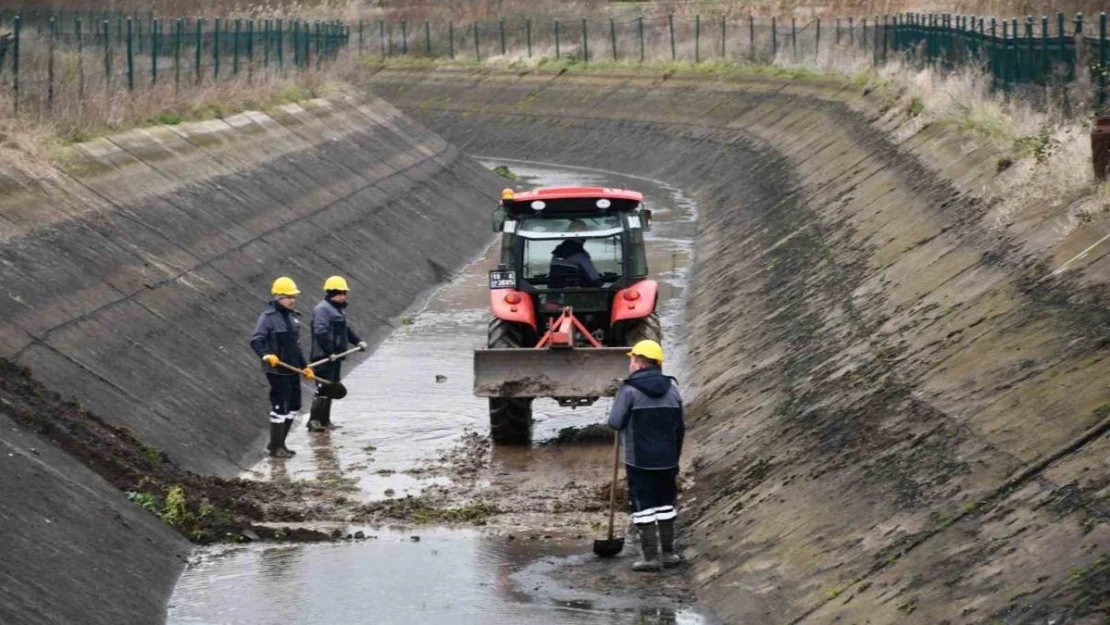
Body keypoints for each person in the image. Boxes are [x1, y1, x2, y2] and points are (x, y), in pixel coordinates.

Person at [608, 339, 685, 572]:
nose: (630, 364)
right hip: (668, 459)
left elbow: (615, 422)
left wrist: (619, 400)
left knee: (643, 505)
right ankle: (669, 554)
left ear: (640, 364)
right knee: (665, 503)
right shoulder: (673, 390)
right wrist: (675, 456)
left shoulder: (629, 390)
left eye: (632, 360)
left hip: (639, 460)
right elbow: (680, 428)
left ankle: (650, 558)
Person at [250, 276, 314, 458]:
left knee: (294, 405)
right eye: (289, 297)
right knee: (280, 407)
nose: (293, 300)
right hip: (277, 370)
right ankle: (275, 448)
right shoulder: (267, 318)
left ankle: (280, 444)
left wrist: (305, 366)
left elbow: (295, 347)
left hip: (292, 369)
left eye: (294, 297)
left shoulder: (293, 318)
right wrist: (266, 355)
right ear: (278, 297)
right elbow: (256, 340)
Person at [308, 275, 367, 432]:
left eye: (344, 293)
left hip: (336, 357)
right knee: (322, 388)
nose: (343, 296)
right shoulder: (322, 309)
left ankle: (325, 421)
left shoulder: (338, 310)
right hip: (323, 356)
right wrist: (329, 352)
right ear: (332, 293)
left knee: (331, 388)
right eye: (341, 293)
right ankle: (313, 421)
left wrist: (358, 342)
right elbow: (320, 332)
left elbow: (345, 330)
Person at [549, 220, 602, 287]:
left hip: (555, 294)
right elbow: (595, 280)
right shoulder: (581, 256)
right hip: (576, 295)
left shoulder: (556, 255)